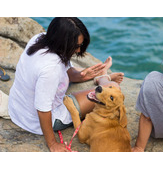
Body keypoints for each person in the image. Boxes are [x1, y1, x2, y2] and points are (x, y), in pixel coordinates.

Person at [8, 17, 124, 152]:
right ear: (63, 43)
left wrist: (84, 75)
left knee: (98, 85)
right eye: (77, 46)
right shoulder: (51, 69)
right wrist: (52, 144)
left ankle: (101, 76)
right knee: (114, 89)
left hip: (18, 109)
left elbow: (68, 72)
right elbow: (42, 109)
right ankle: (104, 77)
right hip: (37, 121)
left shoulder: (40, 38)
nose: (79, 51)